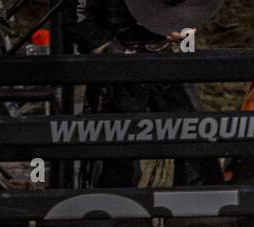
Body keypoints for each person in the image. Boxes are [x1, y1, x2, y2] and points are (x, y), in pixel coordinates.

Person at [67, 0, 226, 187]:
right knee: (121, 153)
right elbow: (78, 19)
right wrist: (113, 53)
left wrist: (176, 28)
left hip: (162, 59)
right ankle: (118, 206)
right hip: (117, 67)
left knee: (195, 140)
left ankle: (197, 206)